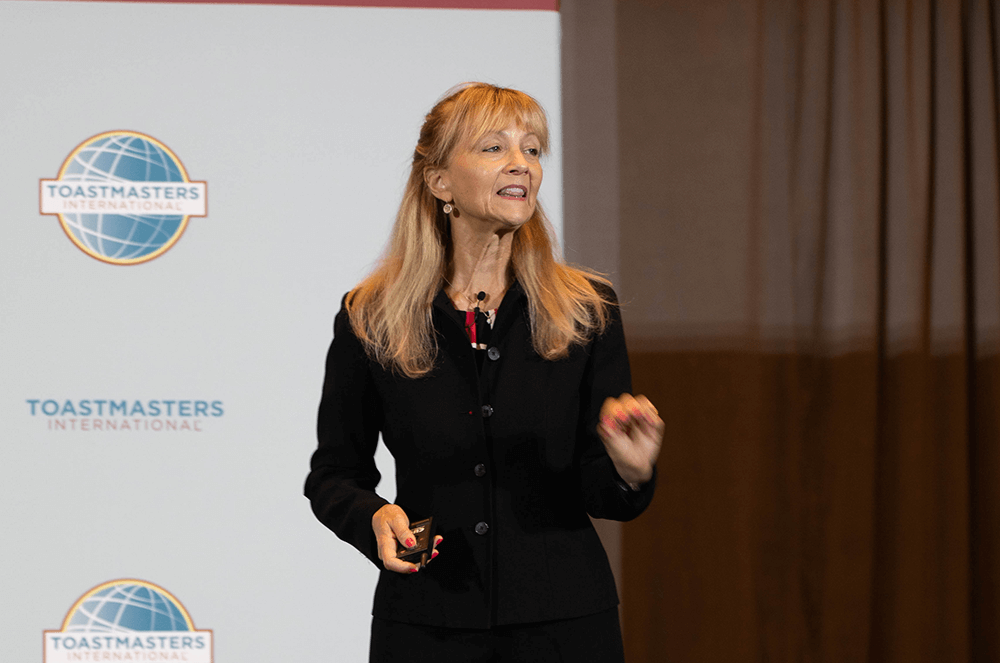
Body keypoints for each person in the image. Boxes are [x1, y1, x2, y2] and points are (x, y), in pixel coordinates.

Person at [305, 82, 664, 662]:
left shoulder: (586, 309)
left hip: (565, 627)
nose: (521, 163)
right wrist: (373, 516)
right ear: (440, 181)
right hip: (426, 621)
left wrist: (630, 470)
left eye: (532, 149)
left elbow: (605, 493)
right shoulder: (371, 316)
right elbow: (333, 474)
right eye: (494, 148)